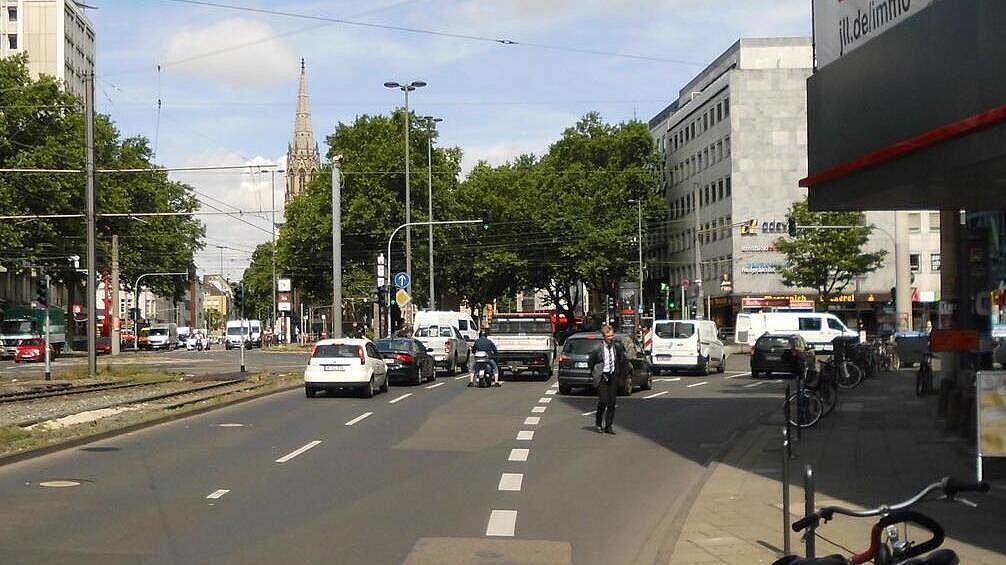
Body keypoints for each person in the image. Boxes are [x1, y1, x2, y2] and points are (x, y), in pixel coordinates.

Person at [587, 325, 626, 434]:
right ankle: (598, 422)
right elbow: (591, 362)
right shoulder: (597, 348)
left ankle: (609, 426)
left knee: (612, 402)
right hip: (602, 376)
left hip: (612, 375)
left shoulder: (616, 346)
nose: (611, 337)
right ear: (604, 337)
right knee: (603, 400)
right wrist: (595, 373)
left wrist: (619, 375)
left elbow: (620, 360)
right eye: (608, 336)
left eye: (612, 335)